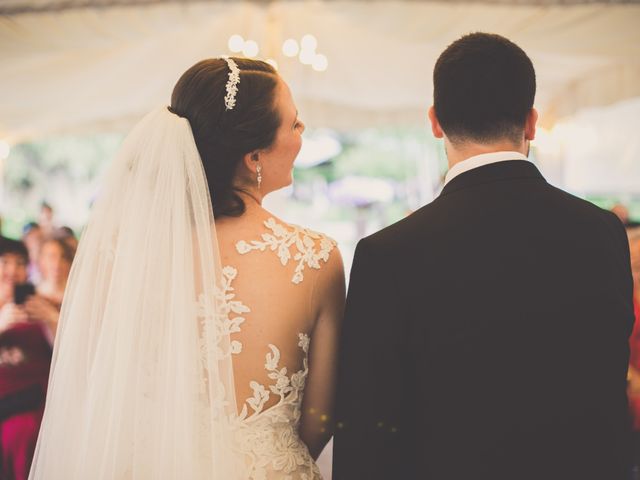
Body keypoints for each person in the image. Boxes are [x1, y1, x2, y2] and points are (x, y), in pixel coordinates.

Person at [333, 32, 634, 480]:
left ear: (435, 122)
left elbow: (365, 427)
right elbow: (609, 384)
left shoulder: (387, 254)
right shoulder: (603, 232)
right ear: (531, 122)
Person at [29, 57, 344, 479]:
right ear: (254, 156)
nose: (302, 132)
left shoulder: (125, 252)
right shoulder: (315, 258)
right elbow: (319, 420)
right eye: (294, 124)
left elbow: (96, 392)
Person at [0, 237, 53, 480]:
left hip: (39, 401)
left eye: (20, 263)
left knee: (27, 431)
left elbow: (67, 354)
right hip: (7, 404)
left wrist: (52, 319)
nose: (13, 270)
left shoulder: (41, 307)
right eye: (5, 261)